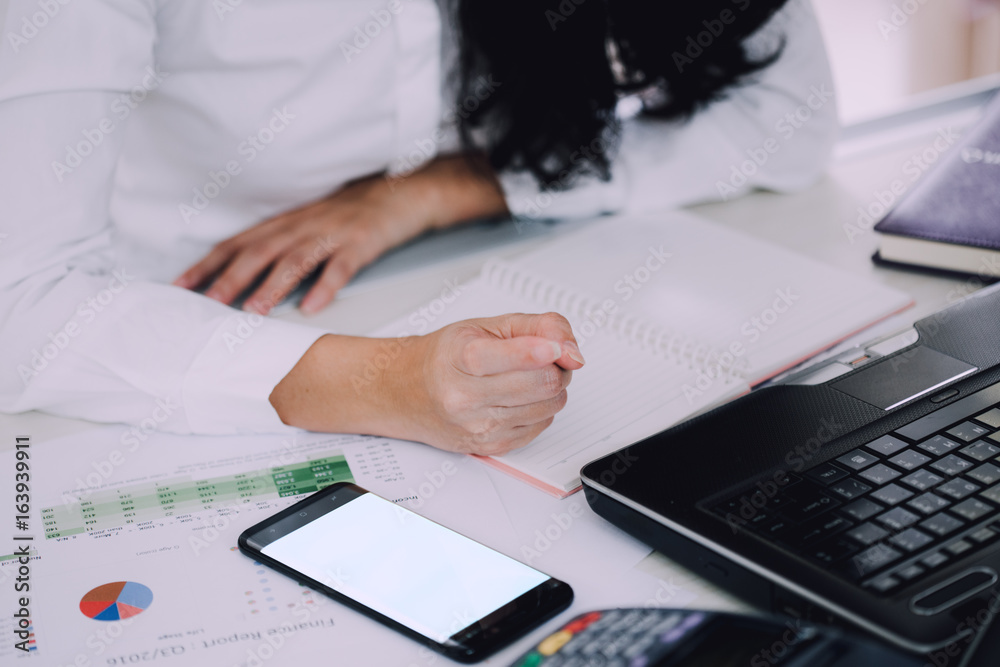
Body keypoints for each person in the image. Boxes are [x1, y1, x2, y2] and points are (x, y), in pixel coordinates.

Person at [0, 0, 836, 455]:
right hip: (149, 349)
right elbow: (20, 300)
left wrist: (447, 189)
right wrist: (386, 382)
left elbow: (785, 116)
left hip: (463, 268)